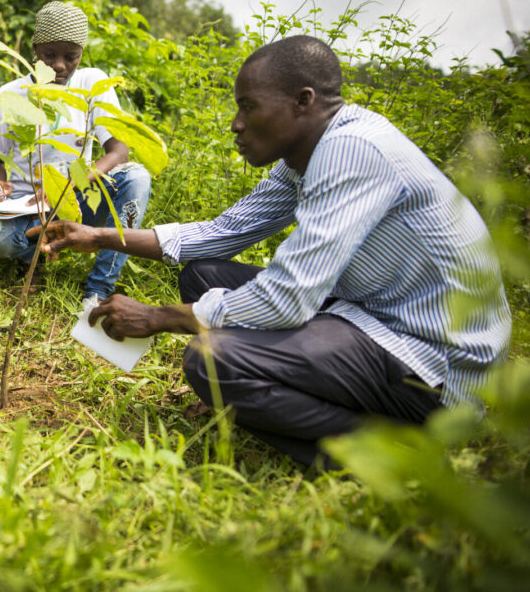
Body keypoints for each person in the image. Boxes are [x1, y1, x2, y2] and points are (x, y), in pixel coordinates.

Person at [34, 35, 512, 466]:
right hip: (366, 313)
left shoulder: (352, 151)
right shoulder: (305, 154)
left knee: (212, 359)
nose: (236, 124)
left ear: (303, 102)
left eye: (249, 107)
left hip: (431, 363)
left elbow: (288, 298)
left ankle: (393, 451)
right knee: (201, 275)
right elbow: (225, 230)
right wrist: (97, 236)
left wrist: (159, 316)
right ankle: (283, 395)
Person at [0, 1, 151, 306]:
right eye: (49, 56)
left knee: (136, 177)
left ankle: (98, 290)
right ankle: (35, 255)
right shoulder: (9, 95)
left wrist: (72, 180)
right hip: (28, 207)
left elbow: (119, 150)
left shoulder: (92, 84)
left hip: (80, 198)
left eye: (71, 57)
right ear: (34, 49)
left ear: (82, 54)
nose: (60, 65)